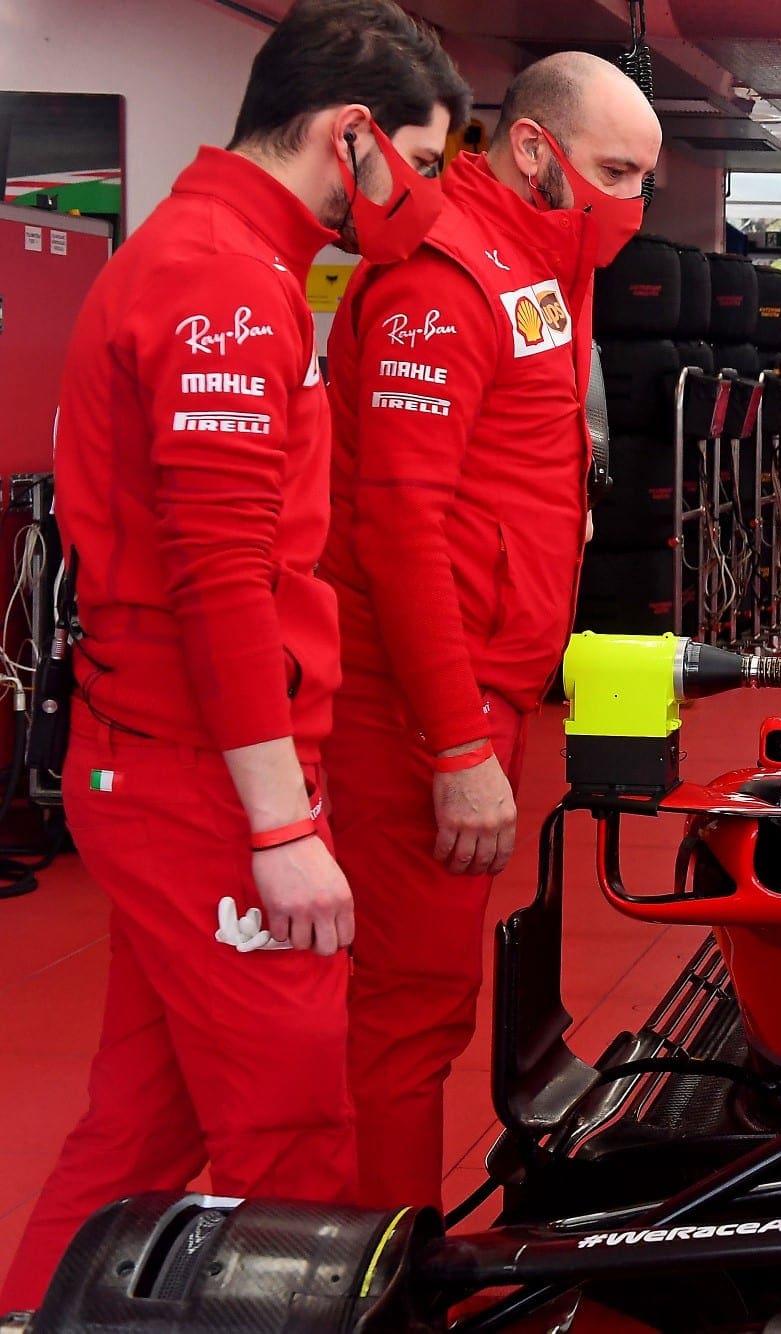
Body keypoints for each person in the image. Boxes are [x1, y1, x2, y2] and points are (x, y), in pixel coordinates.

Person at [0, 0, 468, 1308]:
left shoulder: (233, 259)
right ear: (354, 135)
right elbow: (218, 575)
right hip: (200, 783)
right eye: (422, 166)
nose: (425, 202)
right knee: (290, 1137)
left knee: (138, 1134)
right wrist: (278, 824)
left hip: (171, 768)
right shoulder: (217, 278)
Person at [319, 51, 660, 1211]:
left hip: (481, 684)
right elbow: (400, 529)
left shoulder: (537, 263)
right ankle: (382, 1275)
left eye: (645, 180)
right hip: (412, 704)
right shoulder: (442, 278)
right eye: (615, 170)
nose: (632, 203)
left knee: (429, 999)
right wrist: (457, 743)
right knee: (405, 1008)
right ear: (532, 150)